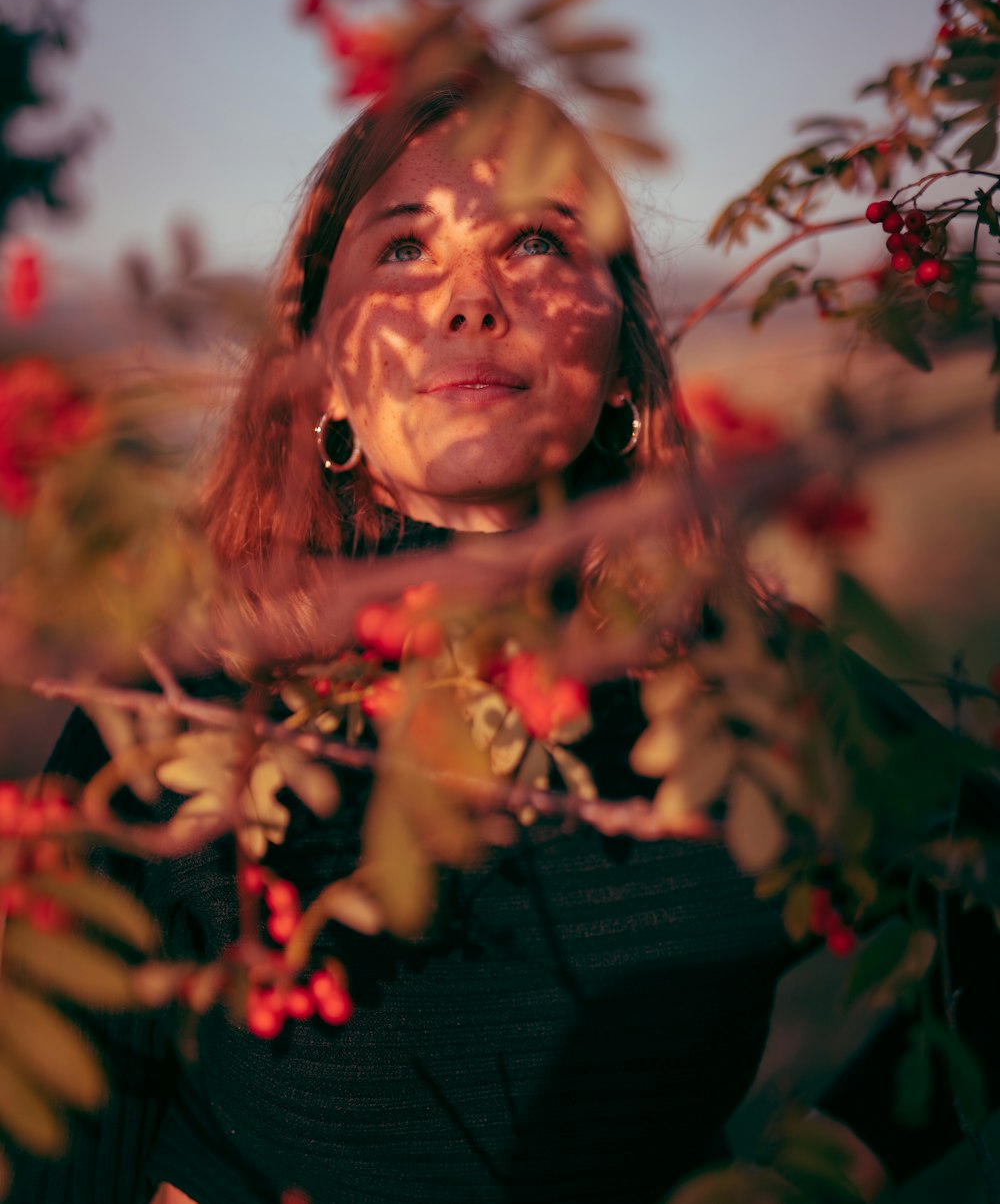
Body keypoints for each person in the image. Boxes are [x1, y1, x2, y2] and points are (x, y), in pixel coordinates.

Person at [7, 64, 999, 1204]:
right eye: (403, 248)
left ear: (625, 350)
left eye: (533, 242)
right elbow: (65, 1135)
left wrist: (830, 1164)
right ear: (319, 375)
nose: (469, 299)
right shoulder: (187, 693)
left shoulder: (749, 682)